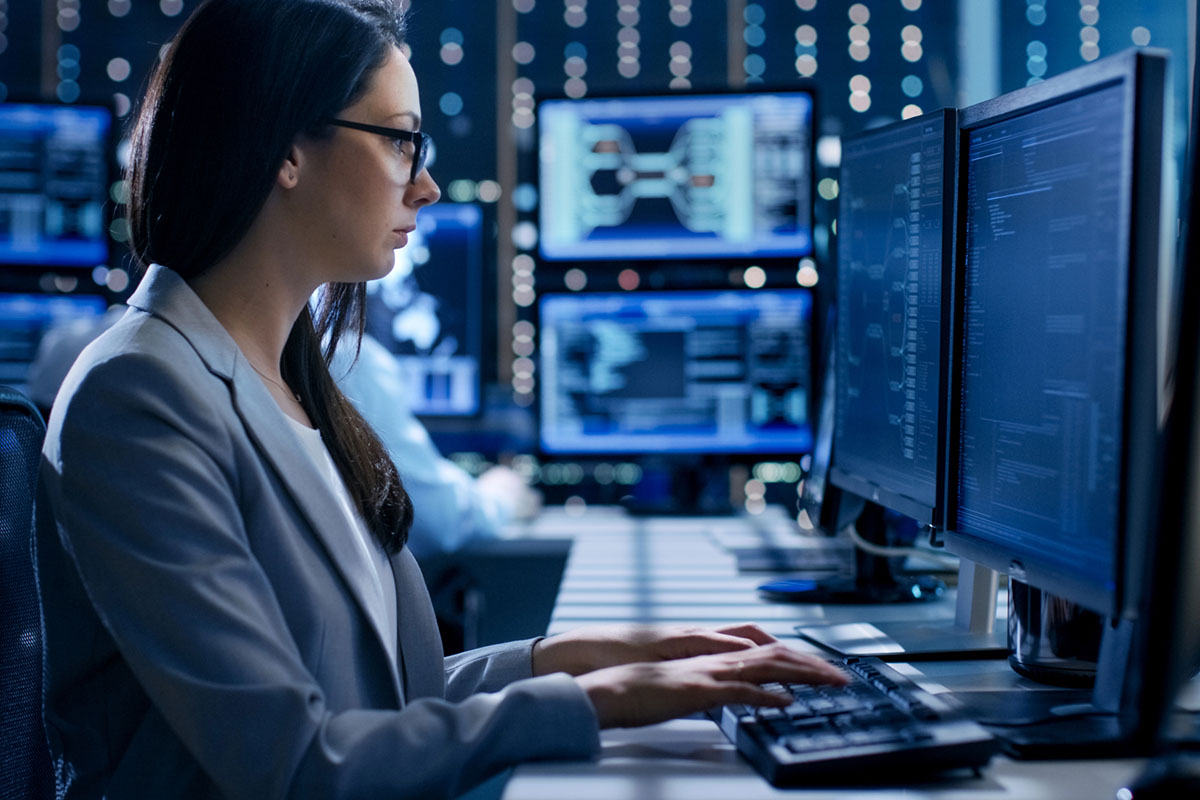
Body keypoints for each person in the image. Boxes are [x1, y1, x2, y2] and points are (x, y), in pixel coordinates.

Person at [34, 1, 846, 798]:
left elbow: (381, 699)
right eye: (400, 141)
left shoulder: (287, 380)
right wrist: (601, 702)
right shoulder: (137, 395)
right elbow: (296, 762)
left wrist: (588, 655)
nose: (425, 184)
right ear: (285, 149)